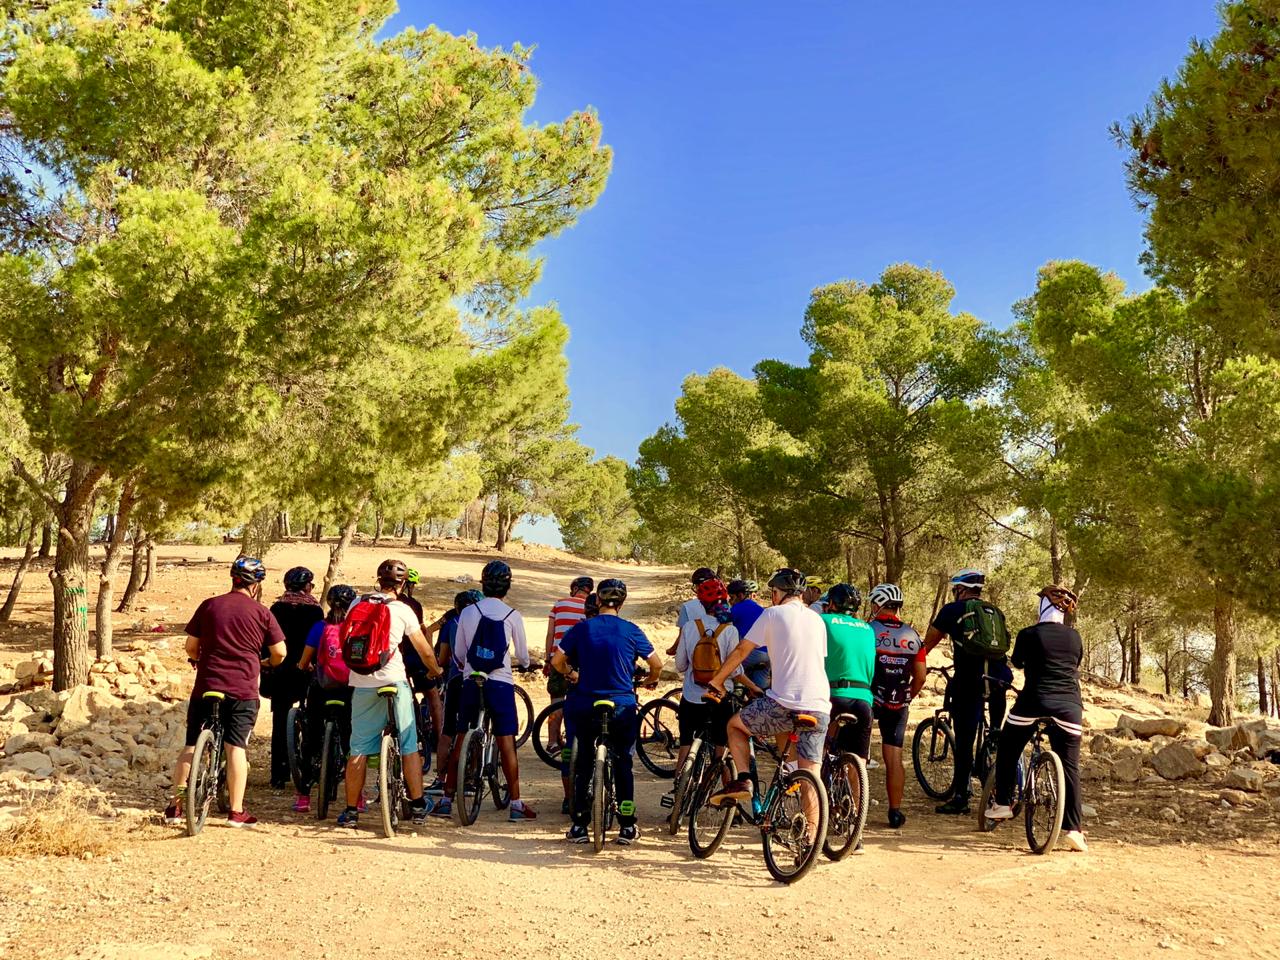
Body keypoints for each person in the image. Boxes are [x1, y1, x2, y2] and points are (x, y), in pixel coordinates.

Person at [164, 557, 286, 827]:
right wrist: (265, 663)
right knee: (235, 748)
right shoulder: (262, 612)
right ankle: (236, 811)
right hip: (242, 690)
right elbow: (280, 653)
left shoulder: (210, 605)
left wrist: (199, 659)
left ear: (233, 579)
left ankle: (176, 806)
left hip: (207, 686)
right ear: (256, 585)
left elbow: (190, 647)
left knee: (191, 745)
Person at [706, 569, 830, 827]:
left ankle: (744, 779)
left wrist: (717, 680)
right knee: (810, 774)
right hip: (819, 705)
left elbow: (742, 651)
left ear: (776, 593)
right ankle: (809, 840)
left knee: (735, 726)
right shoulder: (817, 620)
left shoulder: (772, 614)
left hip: (784, 703)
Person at [552, 578, 662, 844]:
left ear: (597, 601)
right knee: (623, 760)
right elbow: (656, 664)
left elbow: (557, 661)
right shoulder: (631, 630)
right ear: (622, 604)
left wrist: (572, 673)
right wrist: (649, 680)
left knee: (584, 762)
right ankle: (626, 825)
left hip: (586, 703)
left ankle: (579, 825)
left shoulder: (582, 629)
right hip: (622, 704)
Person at [336, 559, 444, 830]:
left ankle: (351, 812)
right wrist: (435, 671)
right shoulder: (402, 609)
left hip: (361, 682)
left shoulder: (356, 604)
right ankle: (418, 806)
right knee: (409, 744)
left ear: (378, 580)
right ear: (403, 583)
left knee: (358, 748)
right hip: (394, 680)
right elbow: (424, 649)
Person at [985, 585, 1088, 852]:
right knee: (1070, 767)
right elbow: (1073, 664)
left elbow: (1018, 662)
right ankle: (1074, 830)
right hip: (1069, 706)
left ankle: (1004, 803)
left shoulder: (1029, 634)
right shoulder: (1075, 637)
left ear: (1043, 606)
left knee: (1008, 745)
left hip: (1034, 700)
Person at [448, 559, 536, 821]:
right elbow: (521, 654)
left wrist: (466, 666)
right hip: (500, 681)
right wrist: (527, 664)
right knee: (506, 742)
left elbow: (460, 652)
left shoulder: (468, 612)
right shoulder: (512, 615)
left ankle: (446, 796)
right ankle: (517, 804)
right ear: (507, 585)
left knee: (461, 736)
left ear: (483, 583)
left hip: (471, 679)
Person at [923, 569, 1009, 815]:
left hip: (969, 681)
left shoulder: (951, 610)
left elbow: (929, 642)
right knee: (995, 734)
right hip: (997, 680)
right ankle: (994, 738)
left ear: (960, 589)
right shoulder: (995, 612)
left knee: (964, 741)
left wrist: (915, 667)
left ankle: (961, 797)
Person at [670, 577, 759, 786]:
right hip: (720, 697)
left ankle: (678, 796)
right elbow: (735, 670)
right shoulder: (730, 630)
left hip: (692, 696)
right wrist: (753, 687)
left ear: (701, 603)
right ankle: (730, 801)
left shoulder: (691, 627)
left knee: (685, 744)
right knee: (722, 748)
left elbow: (681, 665)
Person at [866, 583, 926, 828]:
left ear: (878, 605)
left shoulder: (868, 630)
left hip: (868, 696)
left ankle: (852, 808)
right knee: (894, 757)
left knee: (856, 753)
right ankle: (895, 812)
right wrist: (909, 695)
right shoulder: (913, 635)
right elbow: (921, 676)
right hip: (898, 700)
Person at [294, 584, 357, 813]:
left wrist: (304, 666)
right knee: (352, 740)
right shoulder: (356, 628)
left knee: (311, 740)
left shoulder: (320, 627)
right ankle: (357, 797)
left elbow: (305, 660)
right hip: (348, 690)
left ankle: (304, 796)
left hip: (322, 688)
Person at [266, 566, 324, 791]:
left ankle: (278, 775)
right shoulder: (314, 611)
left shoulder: (276, 608)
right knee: (311, 719)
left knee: (279, 722)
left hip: (280, 671)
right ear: (308, 586)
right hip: (305, 671)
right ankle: (309, 770)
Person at [427, 589, 482, 805]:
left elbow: (442, 658)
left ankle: (441, 778)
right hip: (479, 680)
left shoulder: (451, 624)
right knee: (476, 728)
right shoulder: (482, 622)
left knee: (449, 729)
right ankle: (472, 776)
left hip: (456, 680)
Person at [822, 583, 876, 768]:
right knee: (858, 760)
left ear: (831, 603)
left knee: (818, 748)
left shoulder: (824, 621)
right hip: (863, 699)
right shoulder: (868, 629)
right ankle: (858, 797)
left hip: (834, 696)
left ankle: (818, 788)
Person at [543, 575, 593, 754]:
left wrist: (548, 659)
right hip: (580, 660)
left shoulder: (558, 604)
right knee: (578, 701)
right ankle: (575, 742)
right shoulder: (591, 607)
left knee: (556, 700)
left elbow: (550, 634)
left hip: (558, 657)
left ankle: (552, 743)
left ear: (574, 589)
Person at [728, 579, 769, 690]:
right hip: (768, 654)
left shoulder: (736, 609)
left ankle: (735, 698)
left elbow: (725, 628)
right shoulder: (760, 608)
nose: (730, 601)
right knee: (760, 687)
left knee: (729, 670)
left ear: (740, 595)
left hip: (753, 653)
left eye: (731, 598)